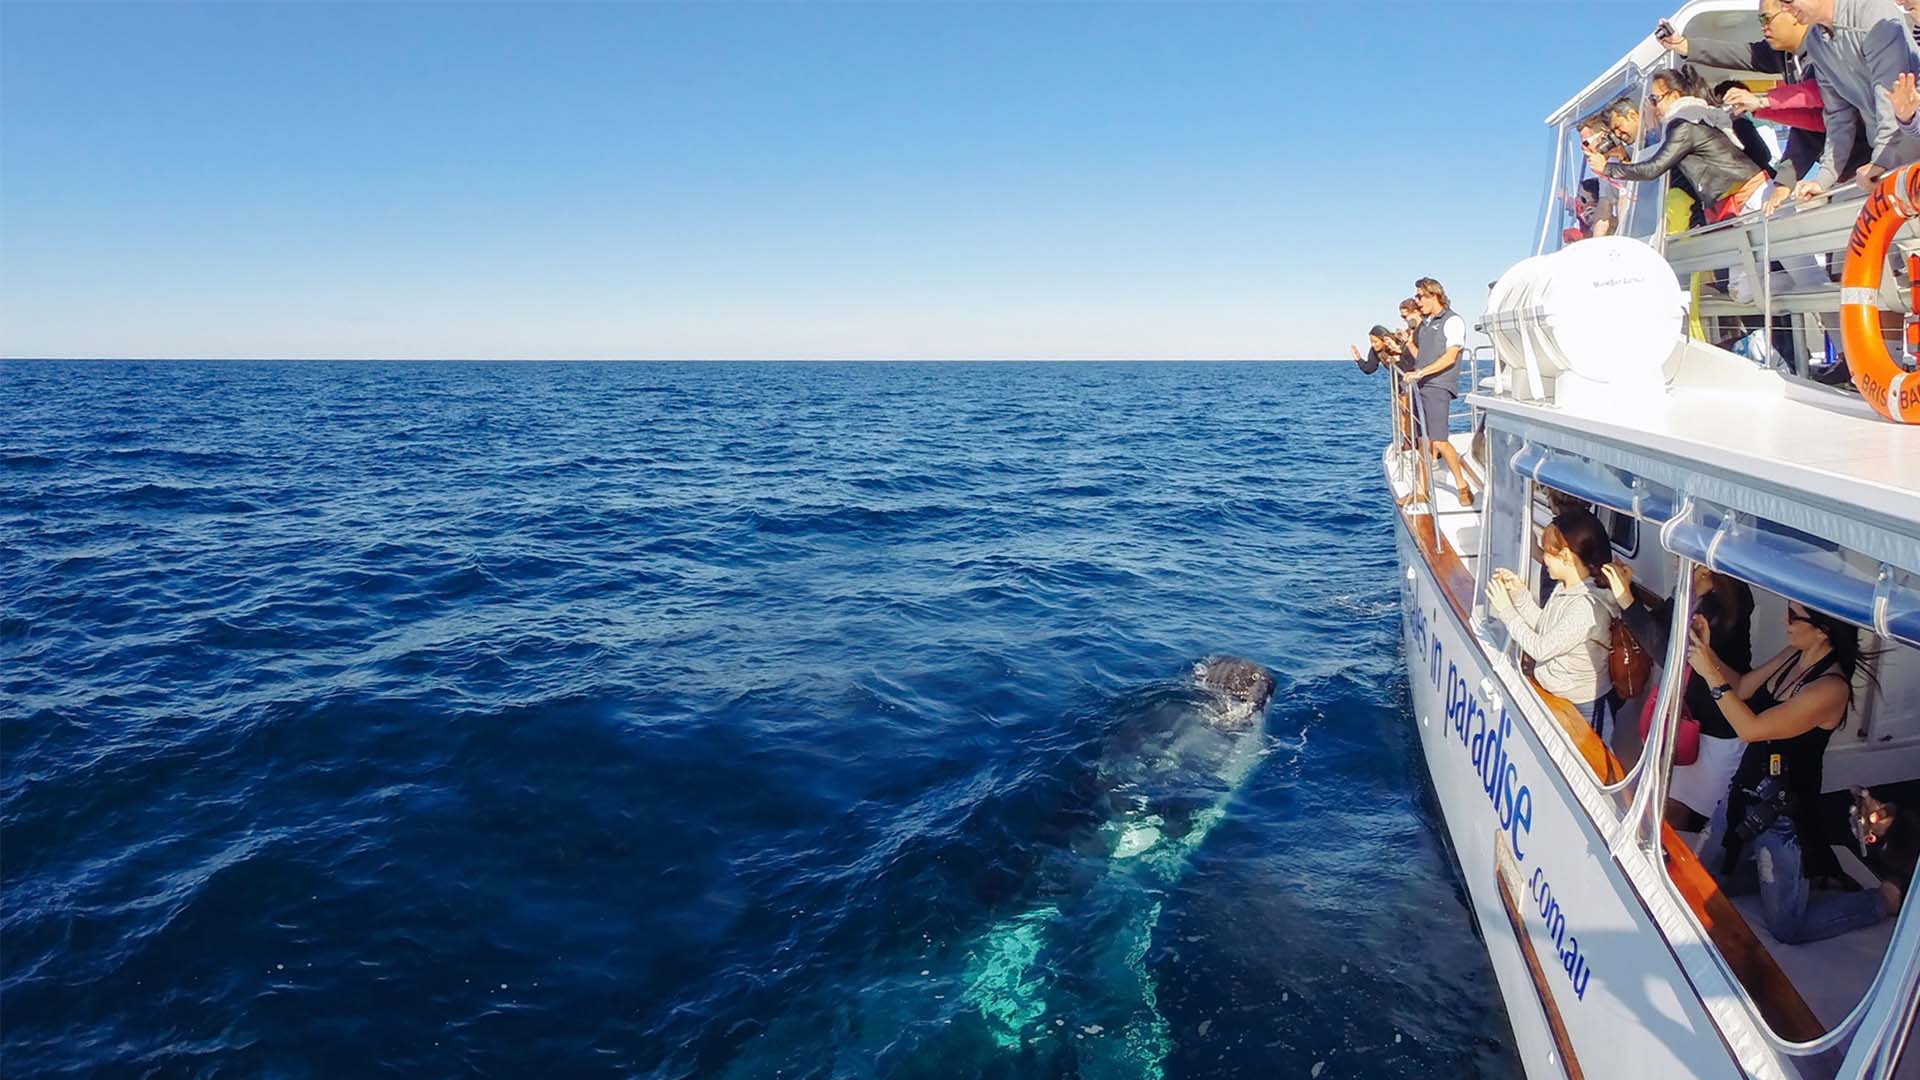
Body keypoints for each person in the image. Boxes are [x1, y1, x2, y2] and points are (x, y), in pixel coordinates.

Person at [1689, 602, 1901, 943]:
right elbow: (1741, 687)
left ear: (1822, 630)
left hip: (1783, 815)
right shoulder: (1794, 654)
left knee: (1787, 929)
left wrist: (1710, 674)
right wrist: (1707, 652)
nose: (1784, 621)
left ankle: (1881, 900)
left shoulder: (1831, 688)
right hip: (1744, 791)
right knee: (1700, 881)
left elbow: (1750, 729)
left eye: (1792, 616)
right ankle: (1786, 876)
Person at [1603, 562, 1756, 830]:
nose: (1675, 563)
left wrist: (1627, 601)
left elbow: (1671, 654)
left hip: (1715, 728)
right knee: (1667, 801)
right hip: (1690, 717)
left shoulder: (1720, 609)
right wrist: (1630, 592)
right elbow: (1660, 621)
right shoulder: (1694, 592)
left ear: (1707, 570)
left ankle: (1679, 863)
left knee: (1684, 812)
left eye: (1684, 559)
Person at [1660, 0, 1842, 194]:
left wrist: (1761, 101)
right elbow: (1740, 53)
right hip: (1837, 168)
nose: (1763, 27)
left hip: (1862, 159)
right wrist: (1684, 45)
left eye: (1766, 18)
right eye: (1759, 20)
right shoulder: (1785, 56)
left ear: (1792, 11)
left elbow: (1824, 95)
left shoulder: (1827, 46)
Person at [1485, 510, 1622, 736]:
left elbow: (1542, 648)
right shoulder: (1567, 588)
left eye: (1548, 552)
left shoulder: (1586, 607)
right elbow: (1544, 628)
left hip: (1582, 709)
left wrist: (1506, 610)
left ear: (1567, 556)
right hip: (1560, 698)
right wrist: (1519, 594)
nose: (1544, 558)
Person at [1590, 67, 1773, 224]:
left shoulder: (1684, 124)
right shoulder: (1697, 116)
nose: (1653, 106)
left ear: (1674, 96)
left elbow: (1654, 168)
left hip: (1749, 197)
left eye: (1655, 99)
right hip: (1741, 197)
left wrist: (1607, 168)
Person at [1787, 0, 1920, 203]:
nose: (1785, 8)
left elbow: (1889, 94)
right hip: (1890, 164)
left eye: (1787, 0)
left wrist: (1881, 161)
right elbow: (1837, 115)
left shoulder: (1873, 11)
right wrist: (1824, 178)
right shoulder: (1815, 42)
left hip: (1905, 158)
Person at [1405, 277, 1476, 508]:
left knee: (1440, 440)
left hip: (1437, 386)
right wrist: (1407, 345)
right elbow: (1422, 357)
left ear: (1434, 295)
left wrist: (1421, 372)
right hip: (1421, 385)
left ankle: (1462, 485)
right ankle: (1422, 490)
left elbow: (1450, 356)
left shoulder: (1452, 321)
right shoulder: (1425, 325)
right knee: (1423, 441)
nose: (1417, 301)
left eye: (1419, 296)